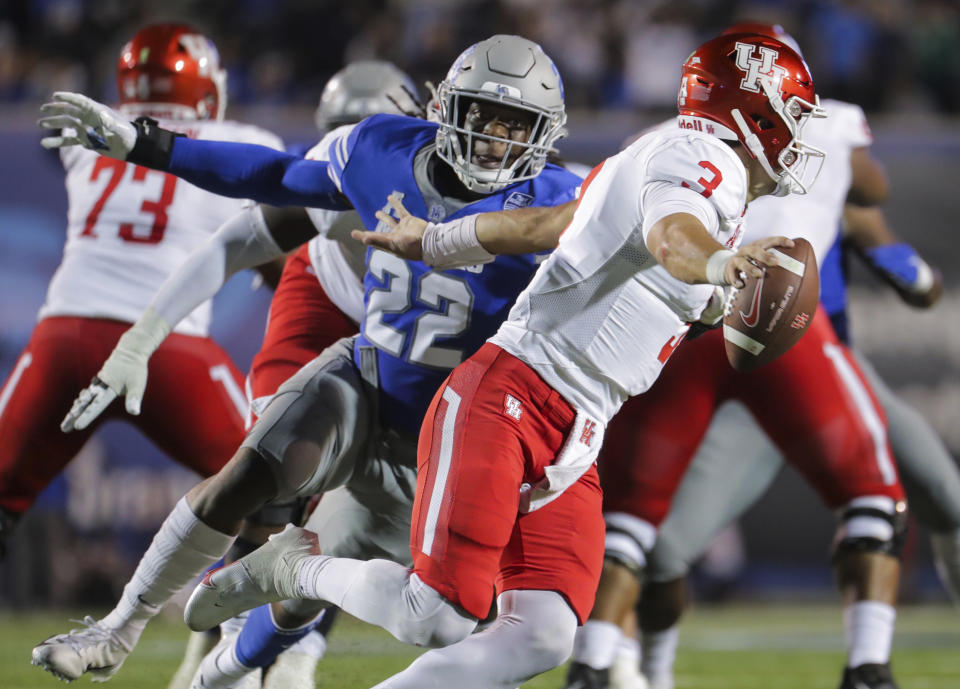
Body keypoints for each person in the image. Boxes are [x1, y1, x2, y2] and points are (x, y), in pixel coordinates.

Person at [145, 32, 816, 688]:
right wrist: (720, 265)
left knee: (544, 631)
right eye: (791, 114)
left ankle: (246, 651)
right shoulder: (704, 163)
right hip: (516, 396)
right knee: (436, 615)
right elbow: (674, 236)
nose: (797, 133)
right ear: (755, 112)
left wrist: (438, 239)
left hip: (573, 426)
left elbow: (542, 227)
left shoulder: (671, 161)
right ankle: (294, 569)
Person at [32, 34, 582, 689]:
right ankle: (116, 628)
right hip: (368, 378)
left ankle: (224, 666)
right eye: (481, 117)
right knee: (252, 474)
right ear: (442, 109)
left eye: (515, 126)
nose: (496, 139)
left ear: (545, 133)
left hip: (455, 442)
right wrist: (147, 144)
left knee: (394, 609)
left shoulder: (559, 209)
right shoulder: (381, 149)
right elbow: (270, 176)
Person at [562, 24, 917, 689]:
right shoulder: (832, 125)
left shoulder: (656, 143)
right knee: (875, 495)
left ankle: (592, 661)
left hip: (687, 327)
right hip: (780, 319)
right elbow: (874, 188)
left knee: (631, 517)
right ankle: (868, 664)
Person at [166, 60, 424, 689]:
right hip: (322, 323)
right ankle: (220, 648)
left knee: (344, 511)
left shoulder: (433, 176)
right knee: (274, 488)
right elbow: (257, 246)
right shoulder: (326, 178)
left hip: (393, 348)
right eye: (352, 131)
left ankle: (287, 654)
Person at [0, 23, 283, 563]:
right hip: (168, 346)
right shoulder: (246, 142)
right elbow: (276, 254)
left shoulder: (84, 141)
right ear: (206, 89)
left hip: (66, 335)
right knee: (275, 489)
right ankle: (247, 640)